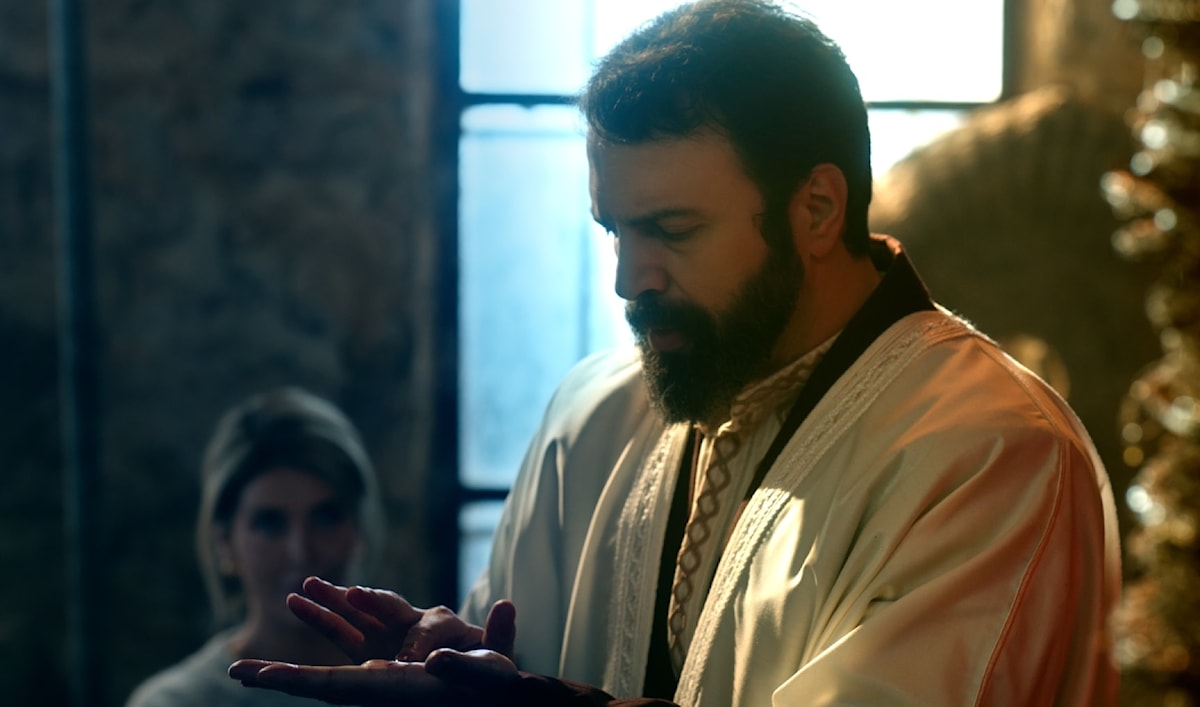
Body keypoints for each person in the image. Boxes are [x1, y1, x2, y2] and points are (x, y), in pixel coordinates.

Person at [229, 1, 1122, 705]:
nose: (630, 278)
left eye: (673, 230)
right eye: (615, 230)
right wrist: (458, 665)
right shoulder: (588, 414)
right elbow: (512, 656)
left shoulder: (993, 453)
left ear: (816, 209)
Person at [126, 387, 386, 707]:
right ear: (224, 541)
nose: (301, 552)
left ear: (358, 528)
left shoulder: (413, 688)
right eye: (269, 523)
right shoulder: (176, 702)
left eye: (326, 518)